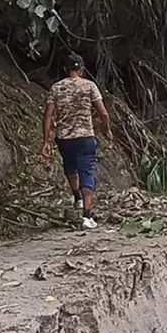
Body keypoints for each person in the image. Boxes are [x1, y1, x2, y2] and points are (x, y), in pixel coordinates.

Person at [42, 54, 112, 229]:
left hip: (64, 139)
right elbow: (103, 112)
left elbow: (48, 115)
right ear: (81, 70)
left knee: (70, 167)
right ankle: (87, 217)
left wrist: (46, 141)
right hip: (85, 138)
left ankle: (77, 198)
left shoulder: (56, 88)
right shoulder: (89, 86)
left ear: (65, 70)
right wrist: (106, 128)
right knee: (87, 173)